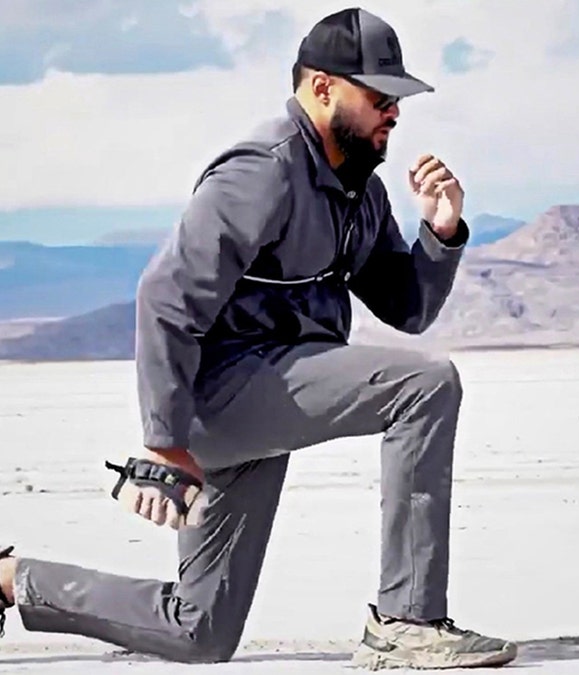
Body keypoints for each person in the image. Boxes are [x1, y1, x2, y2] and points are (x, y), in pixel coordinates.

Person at [0, 7, 518, 670]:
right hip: (223, 393)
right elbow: (165, 297)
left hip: (265, 396)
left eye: (398, 99)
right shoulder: (261, 171)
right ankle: (406, 621)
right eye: (379, 96)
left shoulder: (360, 191)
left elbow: (407, 308)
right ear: (323, 87)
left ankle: (10, 579)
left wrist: (441, 234)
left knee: (200, 632)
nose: (394, 111)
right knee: (425, 384)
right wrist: (165, 442)